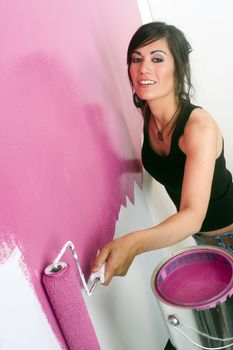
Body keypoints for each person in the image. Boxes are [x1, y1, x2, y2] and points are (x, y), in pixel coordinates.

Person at [92, 22, 233, 349]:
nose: (143, 68)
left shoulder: (197, 127)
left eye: (157, 58)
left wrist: (132, 244)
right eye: (136, 58)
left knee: (212, 339)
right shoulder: (149, 115)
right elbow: (167, 167)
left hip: (226, 236)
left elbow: (192, 216)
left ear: (178, 68)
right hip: (209, 243)